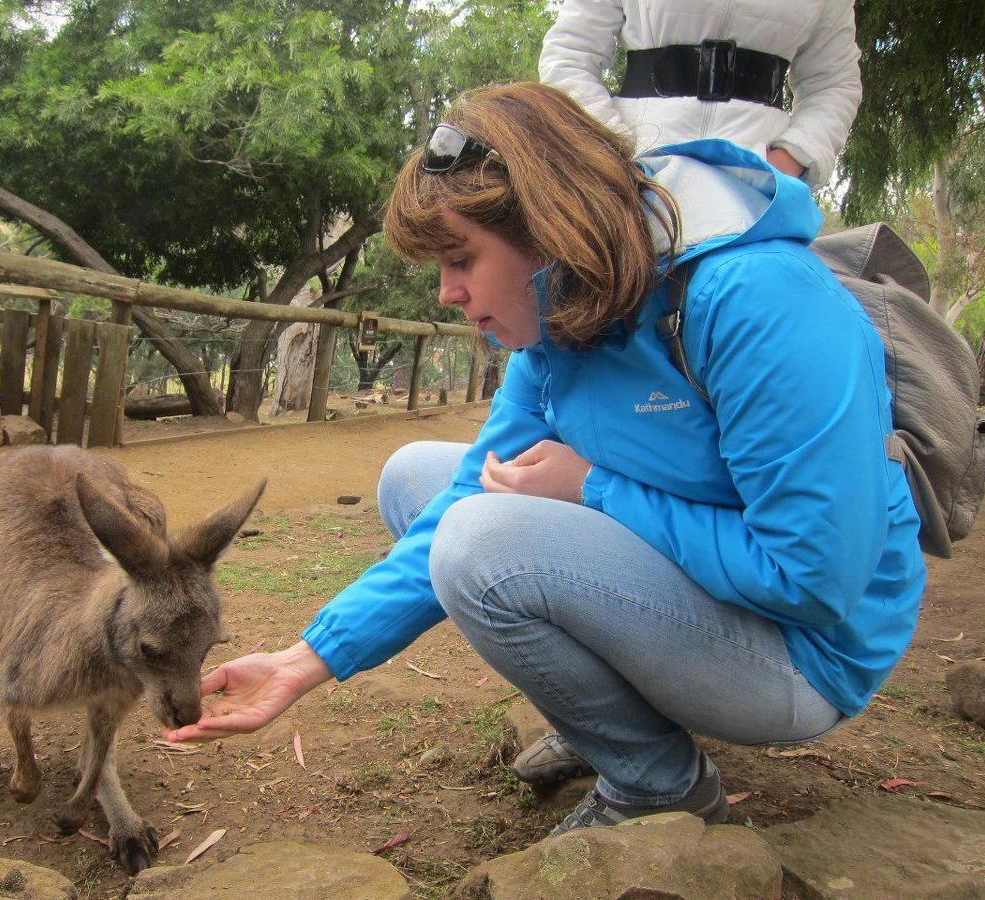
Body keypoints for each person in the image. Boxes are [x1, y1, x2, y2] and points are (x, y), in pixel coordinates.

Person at [164, 81, 925, 834]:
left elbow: (813, 581)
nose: (446, 293)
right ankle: (615, 719)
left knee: (483, 544)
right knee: (418, 481)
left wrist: (595, 488)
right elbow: (462, 499)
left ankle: (658, 787)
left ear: (550, 226)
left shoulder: (759, 301)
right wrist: (304, 660)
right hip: (701, 598)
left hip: (801, 658)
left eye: (461, 259)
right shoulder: (558, 317)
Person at [539, 0, 862, 188]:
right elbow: (569, 57)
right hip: (630, 183)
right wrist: (617, 157)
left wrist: (790, 160)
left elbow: (834, 82)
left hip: (757, 190)